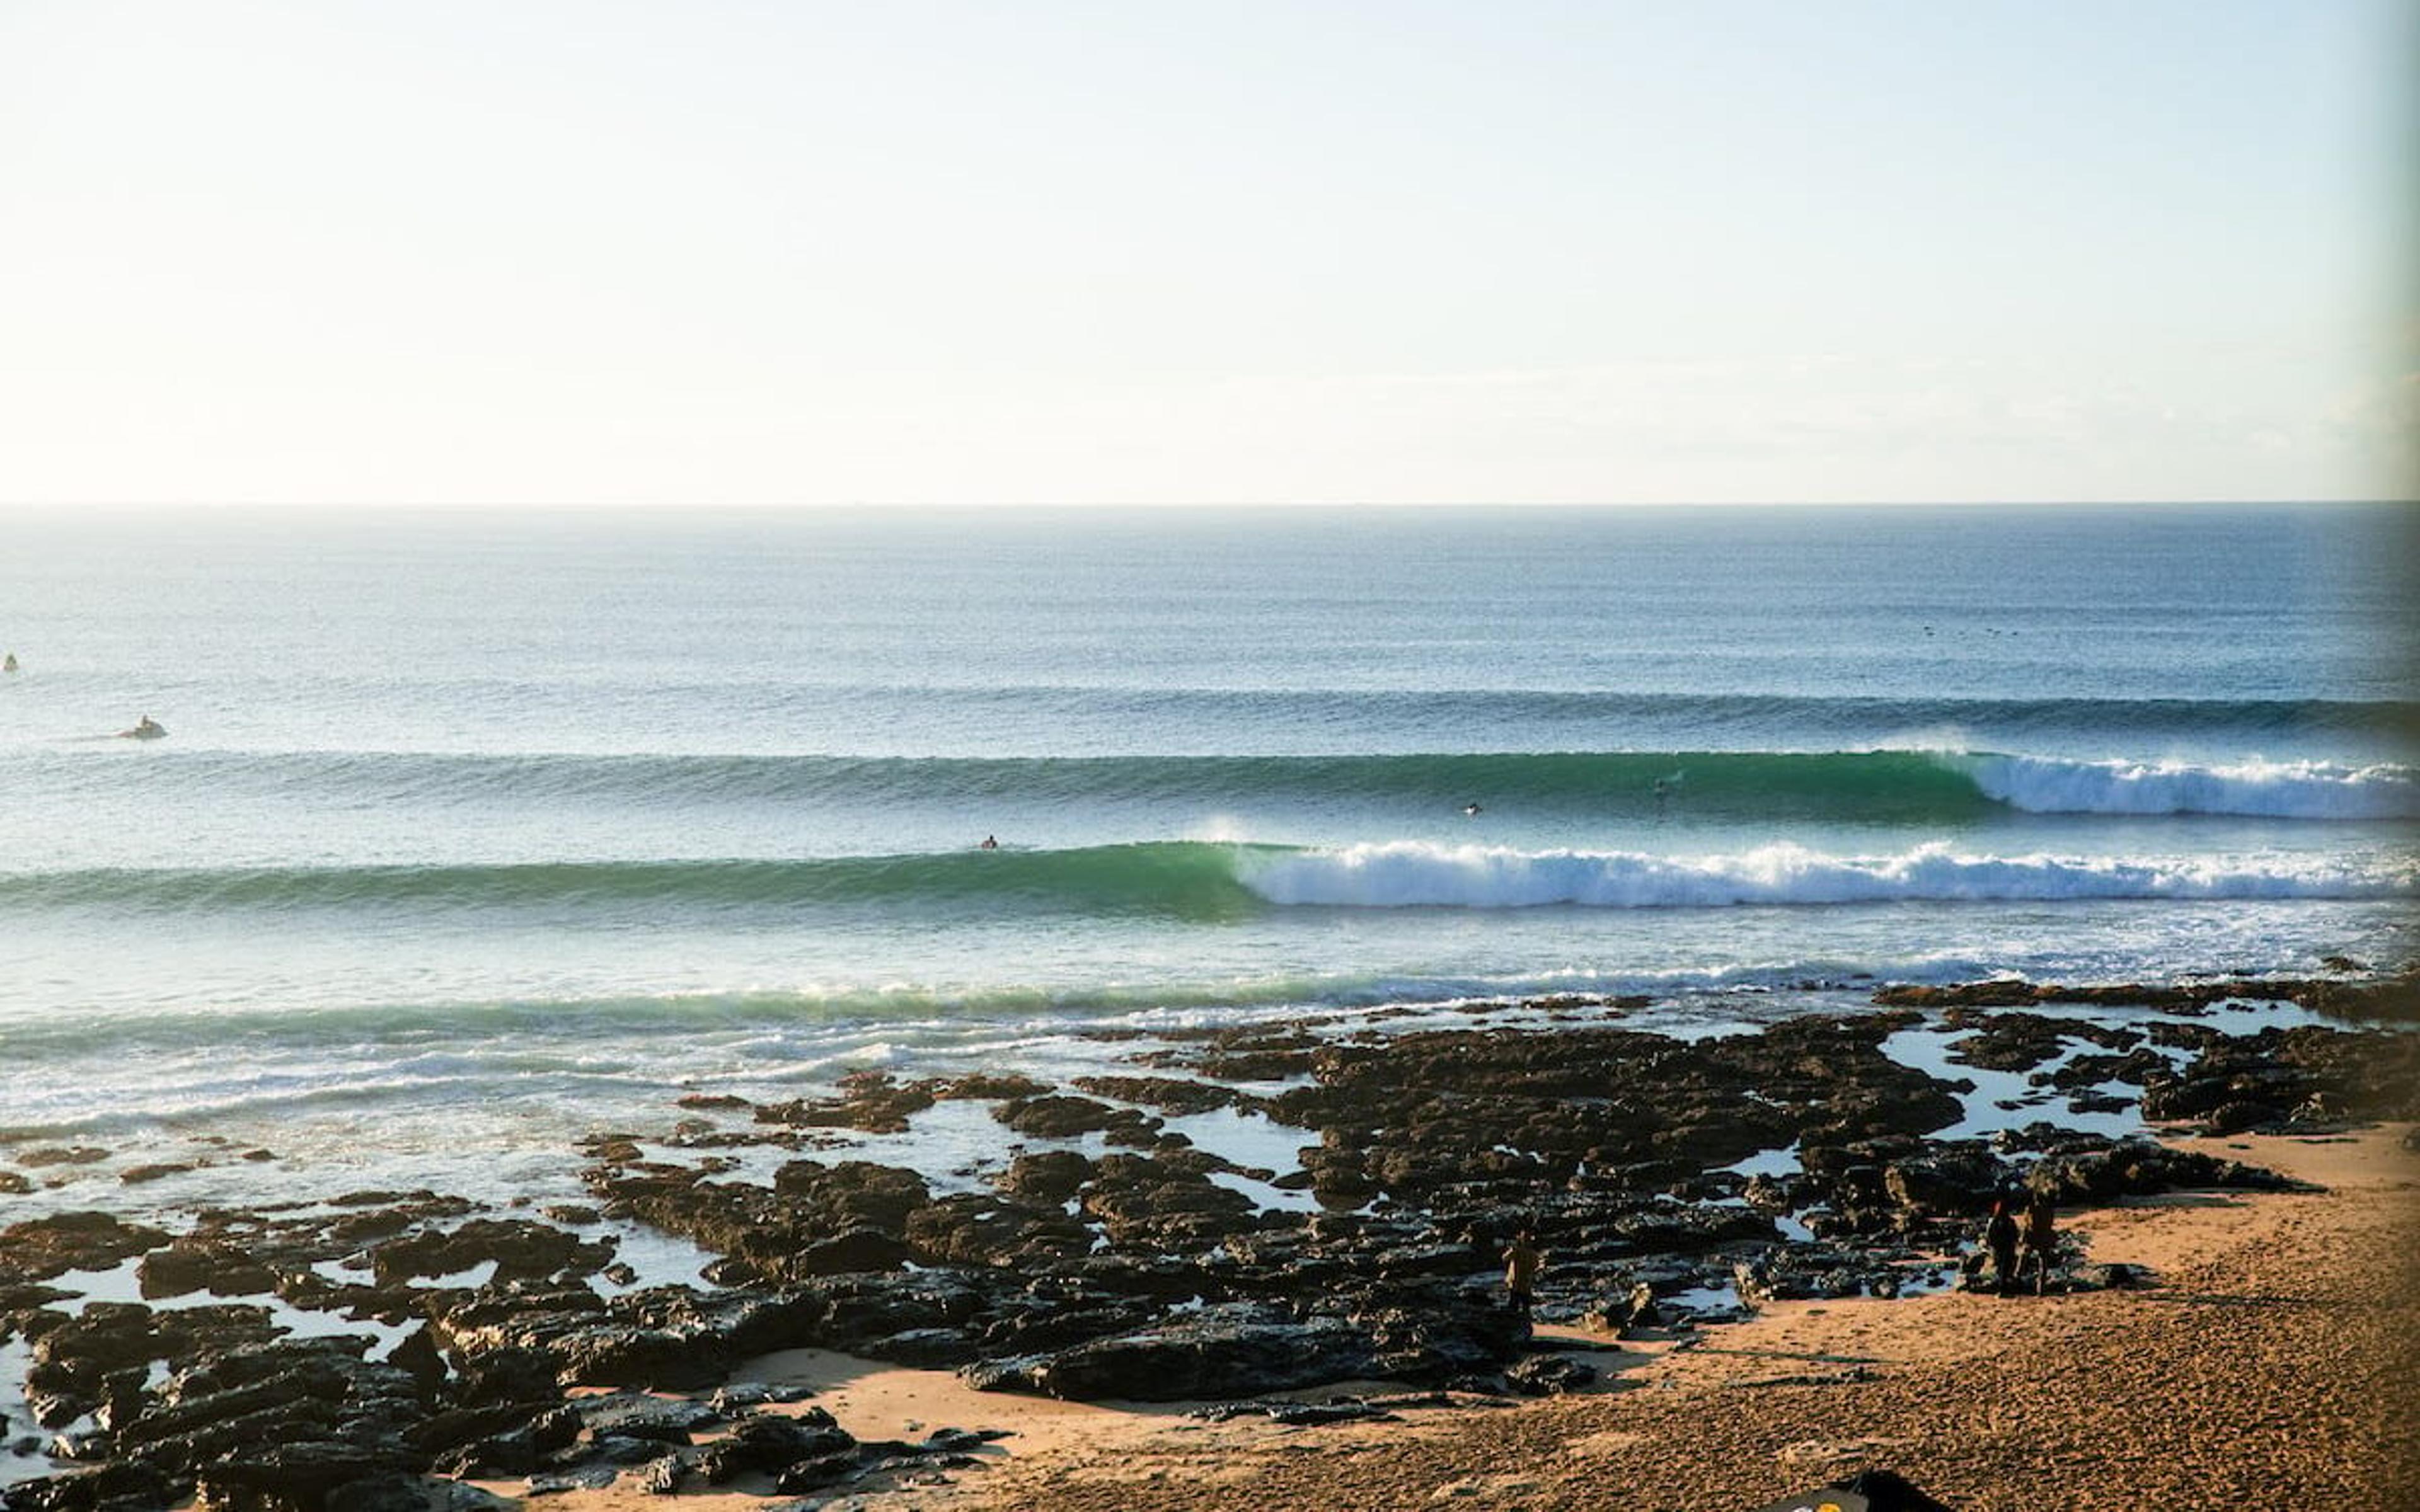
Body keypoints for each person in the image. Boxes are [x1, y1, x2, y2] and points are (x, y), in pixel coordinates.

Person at [2019, 1191, 2058, 1294]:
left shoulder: (2031, 1209)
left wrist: (2023, 1237)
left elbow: (2027, 1224)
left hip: (2033, 1237)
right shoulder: (2049, 1209)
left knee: (2024, 1258)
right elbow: (2050, 1222)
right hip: (2044, 1237)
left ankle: (2016, 1277)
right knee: (2043, 1264)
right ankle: (2041, 1289)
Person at [1982, 1197, 2020, 1296]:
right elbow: (2016, 1234)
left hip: (1999, 1248)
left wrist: (1993, 1246)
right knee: (2007, 1269)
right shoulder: (2010, 1221)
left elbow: (1989, 1235)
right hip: (2008, 1248)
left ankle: (2001, 1289)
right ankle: (2005, 1289)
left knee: (2001, 1270)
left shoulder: (1994, 1221)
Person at [1502, 1229, 1541, 1322]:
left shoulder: (1516, 1250)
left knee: (1513, 1308)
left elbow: (1504, 1258)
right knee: (1526, 1308)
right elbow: (1536, 1267)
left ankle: (1512, 1327)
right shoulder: (1533, 1254)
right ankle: (1525, 1327)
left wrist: (1510, 1249)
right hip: (1526, 1285)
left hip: (1515, 1284)